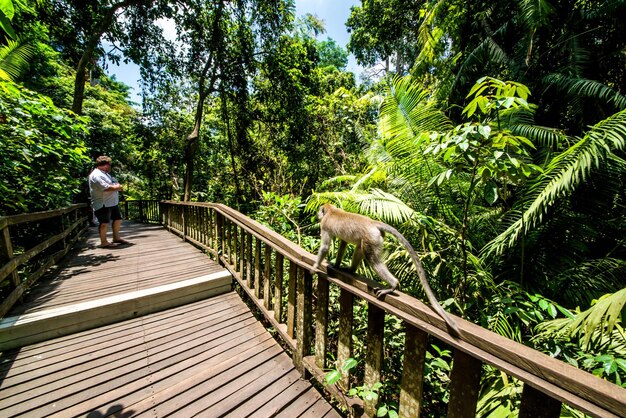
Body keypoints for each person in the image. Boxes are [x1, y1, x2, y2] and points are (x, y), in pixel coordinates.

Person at [88, 156, 130, 248]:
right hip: (103, 203)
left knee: (118, 219)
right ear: (106, 165)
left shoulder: (105, 174)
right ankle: (104, 242)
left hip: (112, 202)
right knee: (104, 223)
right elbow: (106, 187)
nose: (110, 167)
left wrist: (117, 186)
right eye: (109, 165)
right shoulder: (96, 175)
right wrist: (118, 187)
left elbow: (112, 183)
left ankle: (116, 238)